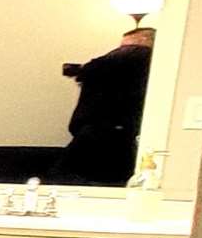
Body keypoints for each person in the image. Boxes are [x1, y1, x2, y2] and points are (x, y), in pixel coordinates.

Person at [55, 23, 153, 185]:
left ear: (143, 38)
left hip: (90, 134)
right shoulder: (149, 63)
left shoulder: (104, 63)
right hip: (123, 137)